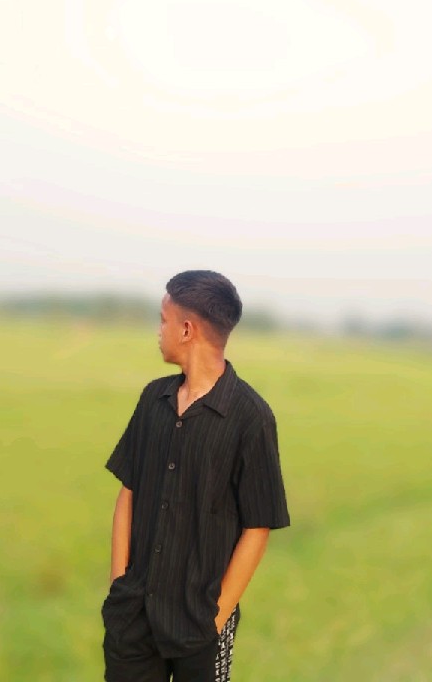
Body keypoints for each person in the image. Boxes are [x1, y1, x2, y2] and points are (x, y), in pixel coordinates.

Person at [101, 270, 290, 682]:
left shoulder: (251, 418)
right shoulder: (153, 399)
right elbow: (128, 493)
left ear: (186, 330)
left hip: (202, 627)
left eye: (163, 320)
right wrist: (119, 587)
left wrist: (214, 620)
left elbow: (258, 527)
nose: (159, 331)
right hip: (133, 619)